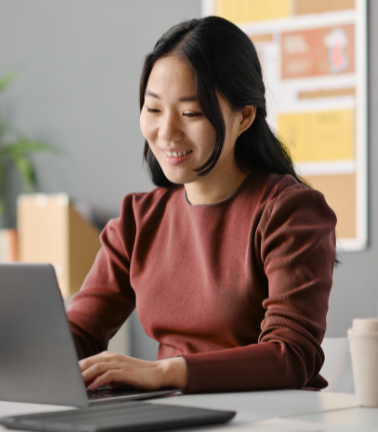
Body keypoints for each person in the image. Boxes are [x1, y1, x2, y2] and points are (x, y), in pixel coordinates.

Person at [67, 16, 337, 394]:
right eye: (153, 109)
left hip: (265, 416)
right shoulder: (138, 220)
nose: (166, 132)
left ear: (244, 116)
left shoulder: (289, 212)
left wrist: (163, 373)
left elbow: (291, 356)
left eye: (190, 113)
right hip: (167, 412)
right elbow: (80, 333)